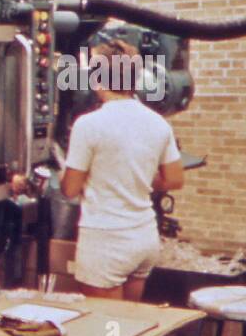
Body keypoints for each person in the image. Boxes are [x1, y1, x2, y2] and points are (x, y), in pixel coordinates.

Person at [60, 39, 185, 301]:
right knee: (129, 327)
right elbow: (174, 179)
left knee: (103, 330)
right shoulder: (158, 123)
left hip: (106, 241)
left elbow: (70, 189)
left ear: (97, 80)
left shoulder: (88, 124)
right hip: (144, 239)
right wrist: (134, 179)